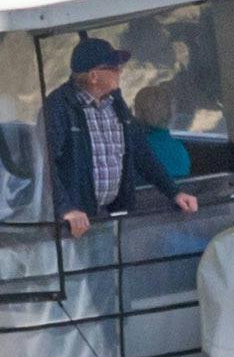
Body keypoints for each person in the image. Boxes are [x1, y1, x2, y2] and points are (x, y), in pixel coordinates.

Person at [46, 34, 194, 236]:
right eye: (113, 68)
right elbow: (44, 166)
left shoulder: (116, 103)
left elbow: (142, 153)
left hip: (114, 216)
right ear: (94, 76)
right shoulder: (58, 107)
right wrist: (67, 209)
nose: (120, 71)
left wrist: (174, 192)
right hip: (76, 224)